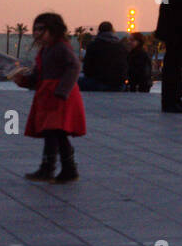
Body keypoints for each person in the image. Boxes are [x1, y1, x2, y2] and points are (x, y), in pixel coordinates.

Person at [13, 12, 85, 183]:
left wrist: (62, 90)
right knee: (53, 132)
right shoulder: (45, 50)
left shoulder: (61, 47)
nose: (37, 33)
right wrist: (22, 81)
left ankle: (57, 169)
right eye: (35, 29)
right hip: (48, 94)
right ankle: (60, 169)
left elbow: (74, 66)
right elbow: (38, 76)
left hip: (60, 95)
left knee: (56, 132)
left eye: (41, 29)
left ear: (53, 30)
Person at [79, 21, 129, 92]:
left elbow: (87, 68)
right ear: (112, 31)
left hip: (98, 84)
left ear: (99, 31)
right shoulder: (121, 47)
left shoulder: (93, 46)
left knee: (76, 81)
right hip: (118, 85)